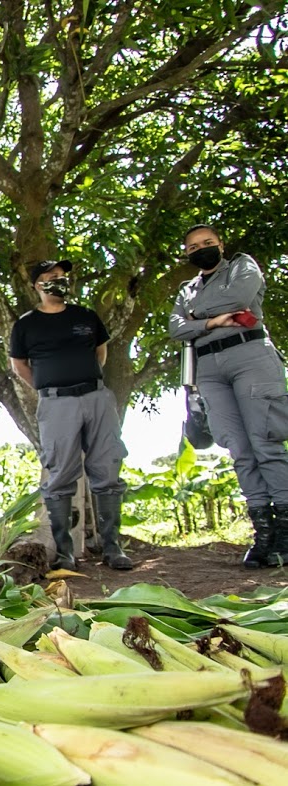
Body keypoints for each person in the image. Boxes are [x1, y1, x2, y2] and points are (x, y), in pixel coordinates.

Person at [170, 224, 288, 569]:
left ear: (220, 244)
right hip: (208, 367)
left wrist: (196, 315)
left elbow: (238, 299)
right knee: (239, 450)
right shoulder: (187, 288)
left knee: (266, 442)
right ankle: (263, 535)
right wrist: (212, 322)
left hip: (250, 356)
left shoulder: (242, 265)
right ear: (186, 254)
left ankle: (286, 534)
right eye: (193, 247)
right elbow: (175, 328)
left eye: (207, 243)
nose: (201, 249)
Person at [9, 259, 132, 571]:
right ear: (37, 285)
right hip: (56, 404)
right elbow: (19, 365)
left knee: (107, 468)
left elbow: (100, 352)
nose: (59, 280)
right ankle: (65, 553)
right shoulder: (25, 325)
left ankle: (112, 548)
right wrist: (48, 386)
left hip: (96, 397)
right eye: (51, 276)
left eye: (62, 276)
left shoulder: (86, 316)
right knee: (60, 473)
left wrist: (84, 380)